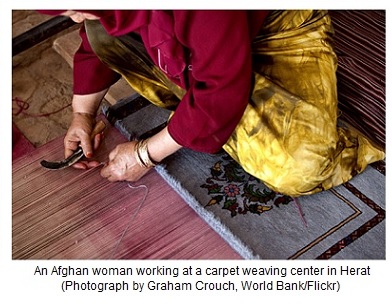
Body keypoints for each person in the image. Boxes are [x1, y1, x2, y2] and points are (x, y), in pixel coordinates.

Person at [39, 10, 384, 197]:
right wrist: (82, 115)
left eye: (70, 6)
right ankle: (202, 112)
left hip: (276, 27)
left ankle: (205, 114)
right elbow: (96, 38)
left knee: (298, 167)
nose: (71, 16)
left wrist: (146, 152)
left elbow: (219, 87)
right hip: (210, 41)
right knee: (101, 29)